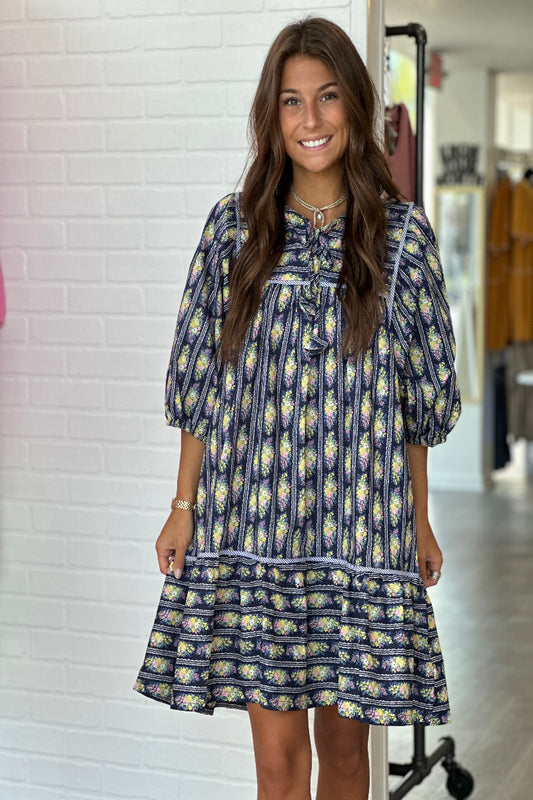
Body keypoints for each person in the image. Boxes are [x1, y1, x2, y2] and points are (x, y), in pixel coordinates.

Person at [134, 17, 461, 800]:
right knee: (278, 768)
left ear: (353, 106)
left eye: (325, 98)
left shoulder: (402, 240)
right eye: (290, 102)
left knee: (348, 761)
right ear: (270, 115)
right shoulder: (232, 230)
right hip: (254, 525)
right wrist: (182, 505)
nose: (309, 121)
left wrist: (416, 518)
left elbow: (418, 401)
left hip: (362, 527)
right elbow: (201, 384)